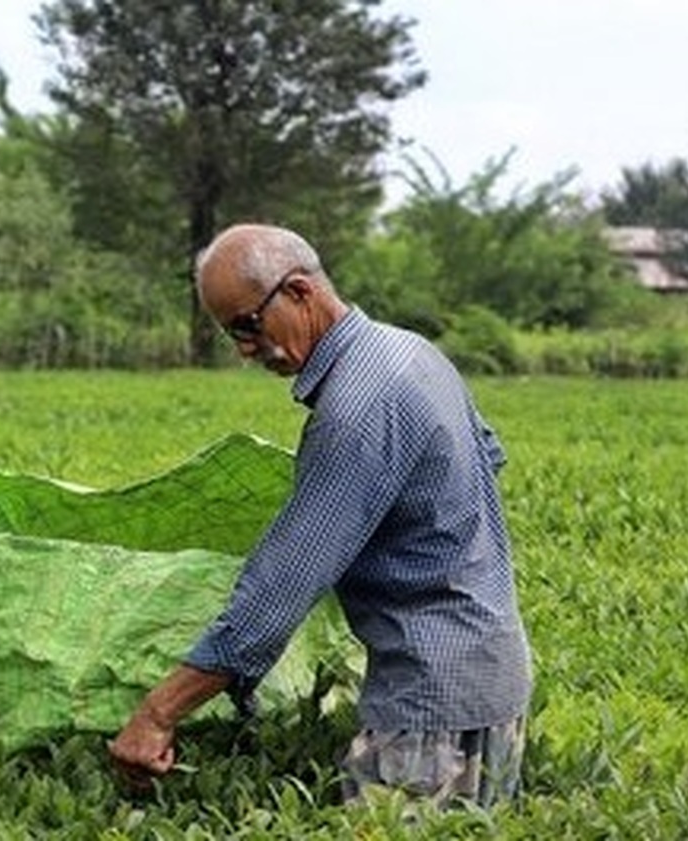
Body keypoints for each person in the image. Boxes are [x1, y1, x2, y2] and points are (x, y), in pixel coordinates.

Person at [108, 223, 533, 809]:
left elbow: (281, 587)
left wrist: (157, 714)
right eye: (230, 334)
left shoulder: (356, 407)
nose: (244, 350)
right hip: (492, 679)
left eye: (246, 326)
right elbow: (487, 457)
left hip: (430, 712)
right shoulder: (411, 351)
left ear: (301, 292)